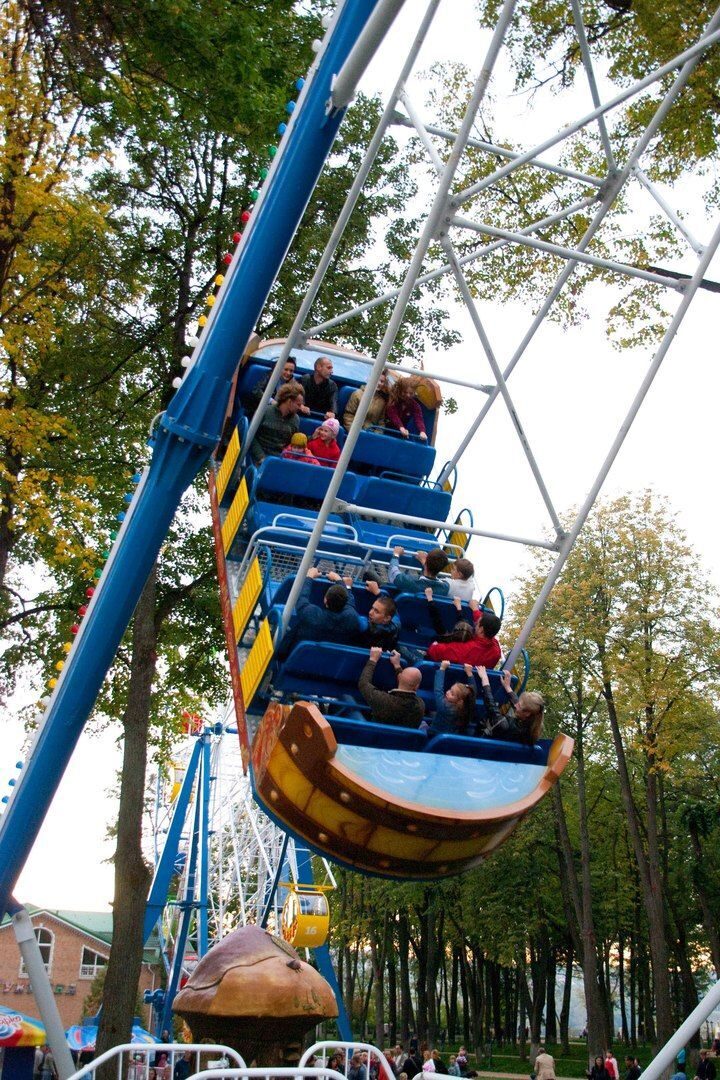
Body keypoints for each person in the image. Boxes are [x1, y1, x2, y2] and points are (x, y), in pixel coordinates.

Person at [279, 567, 360, 656]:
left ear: (325, 600)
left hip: (295, 657)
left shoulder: (312, 614)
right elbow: (350, 604)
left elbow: (302, 597)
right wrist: (342, 583)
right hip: (328, 663)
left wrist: (309, 577)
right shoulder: (351, 619)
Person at [425, 591, 502, 668]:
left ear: (481, 629)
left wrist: (434, 645)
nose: (475, 624)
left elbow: (434, 652)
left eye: (477, 623)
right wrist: (475, 610)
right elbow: (486, 624)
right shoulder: (496, 650)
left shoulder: (465, 649)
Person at [327, 573, 401, 650]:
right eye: (372, 608)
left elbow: (350, 614)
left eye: (376, 611)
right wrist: (378, 592)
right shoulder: (396, 624)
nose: (370, 612)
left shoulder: (365, 625)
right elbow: (394, 611)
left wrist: (345, 586)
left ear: (387, 618)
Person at [473, 666, 544, 743]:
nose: (516, 705)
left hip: (481, 742)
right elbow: (517, 703)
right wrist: (507, 687)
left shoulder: (505, 725)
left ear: (527, 713)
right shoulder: (532, 727)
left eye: (519, 706)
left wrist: (484, 678)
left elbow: (491, 706)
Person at [359, 646, 425, 727]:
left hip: (375, 736)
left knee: (348, 698)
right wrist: (397, 665)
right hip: (399, 739)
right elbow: (406, 683)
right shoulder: (420, 705)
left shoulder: (384, 700)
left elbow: (363, 683)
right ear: (417, 687)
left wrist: (373, 660)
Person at [249, 381, 305, 464]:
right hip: (257, 457)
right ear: (289, 402)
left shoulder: (295, 420)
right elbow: (251, 436)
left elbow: (292, 443)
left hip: (280, 459)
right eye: (298, 404)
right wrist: (260, 456)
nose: (300, 408)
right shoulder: (264, 411)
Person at [422, 660, 476, 735]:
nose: (447, 692)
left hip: (433, 735)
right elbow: (473, 693)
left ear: (460, 701)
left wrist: (442, 669)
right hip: (452, 736)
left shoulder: (443, 706)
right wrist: (470, 674)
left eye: (452, 693)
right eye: (450, 689)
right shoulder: (468, 706)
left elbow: (438, 690)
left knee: (422, 723)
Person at [386, 375, 428, 440]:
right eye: (405, 392)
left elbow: (419, 418)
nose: (408, 395)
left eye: (411, 393)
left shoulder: (415, 405)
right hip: (386, 428)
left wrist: (422, 431)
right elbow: (392, 414)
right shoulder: (394, 399)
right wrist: (401, 427)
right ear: (401, 390)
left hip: (400, 433)